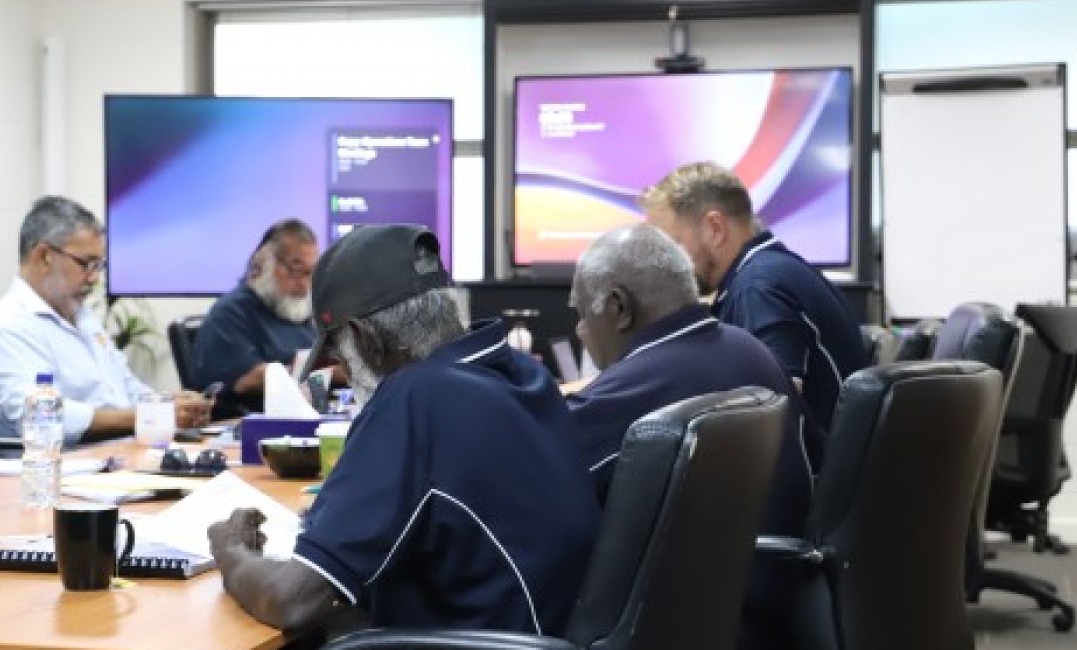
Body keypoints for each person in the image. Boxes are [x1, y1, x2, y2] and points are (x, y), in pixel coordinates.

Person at [207, 225, 599, 636]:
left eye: (338, 353)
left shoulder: (415, 396)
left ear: (362, 337)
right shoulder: (520, 372)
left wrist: (231, 551)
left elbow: (290, 600)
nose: (343, 371)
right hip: (535, 630)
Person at [567, 225, 816, 650]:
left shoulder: (637, 386)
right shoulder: (746, 348)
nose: (579, 331)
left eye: (580, 313)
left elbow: (536, 469)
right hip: (763, 605)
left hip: (682, 619)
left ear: (618, 308)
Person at [641, 161, 867, 432]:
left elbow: (768, 411)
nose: (669, 263)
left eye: (673, 245)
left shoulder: (758, 287)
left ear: (715, 227)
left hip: (813, 471)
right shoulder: (772, 269)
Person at [0, 196, 209, 445]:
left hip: (120, 456)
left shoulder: (83, 316)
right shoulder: (5, 325)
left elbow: (125, 387)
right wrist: (145, 416)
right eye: (86, 264)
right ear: (44, 256)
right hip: (57, 468)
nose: (94, 278)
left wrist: (169, 405)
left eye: (99, 265)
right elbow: (39, 415)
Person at [191, 219, 318, 419]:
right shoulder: (230, 313)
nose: (304, 284)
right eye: (295, 270)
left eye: (310, 273)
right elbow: (245, 381)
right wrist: (323, 371)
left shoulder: (302, 312)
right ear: (262, 264)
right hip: (248, 427)